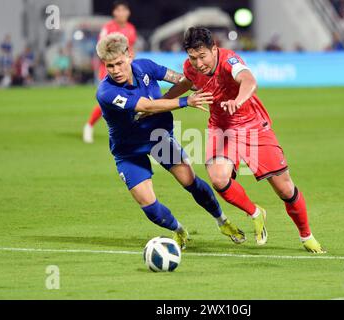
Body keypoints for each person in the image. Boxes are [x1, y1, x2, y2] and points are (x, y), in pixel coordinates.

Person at [164, 27, 325, 253]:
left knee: (285, 190)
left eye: (202, 56)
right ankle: (256, 213)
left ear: (214, 48)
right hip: (221, 127)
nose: (198, 63)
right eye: (193, 57)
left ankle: (306, 235)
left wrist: (238, 100)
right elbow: (184, 84)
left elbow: (249, 80)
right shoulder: (190, 67)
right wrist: (159, 104)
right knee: (219, 179)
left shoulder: (230, 60)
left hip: (252, 125)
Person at [95, 33, 246, 249]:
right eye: (110, 66)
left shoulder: (145, 66)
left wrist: (200, 82)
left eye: (119, 63)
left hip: (159, 138)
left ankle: (223, 221)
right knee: (148, 205)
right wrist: (186, 101)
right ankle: (179, 230)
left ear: (130, 55)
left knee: (191, 182)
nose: (116, 70)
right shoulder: (106, 92)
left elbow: (179, 79)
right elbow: (146, 106)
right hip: (128, 150)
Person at [84, 0, 138, 144]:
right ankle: (89, 126)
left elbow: (130, 50)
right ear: (114, 12)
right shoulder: (108, 29)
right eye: (118, 10)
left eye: (124, 10)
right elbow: (101, 50)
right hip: (108, 70)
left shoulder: (131, 29)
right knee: (109, 99)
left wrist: (132, 64)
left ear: (128, 12)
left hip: (126, 69)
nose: (121, 13)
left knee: (126, 99)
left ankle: (126, 131)